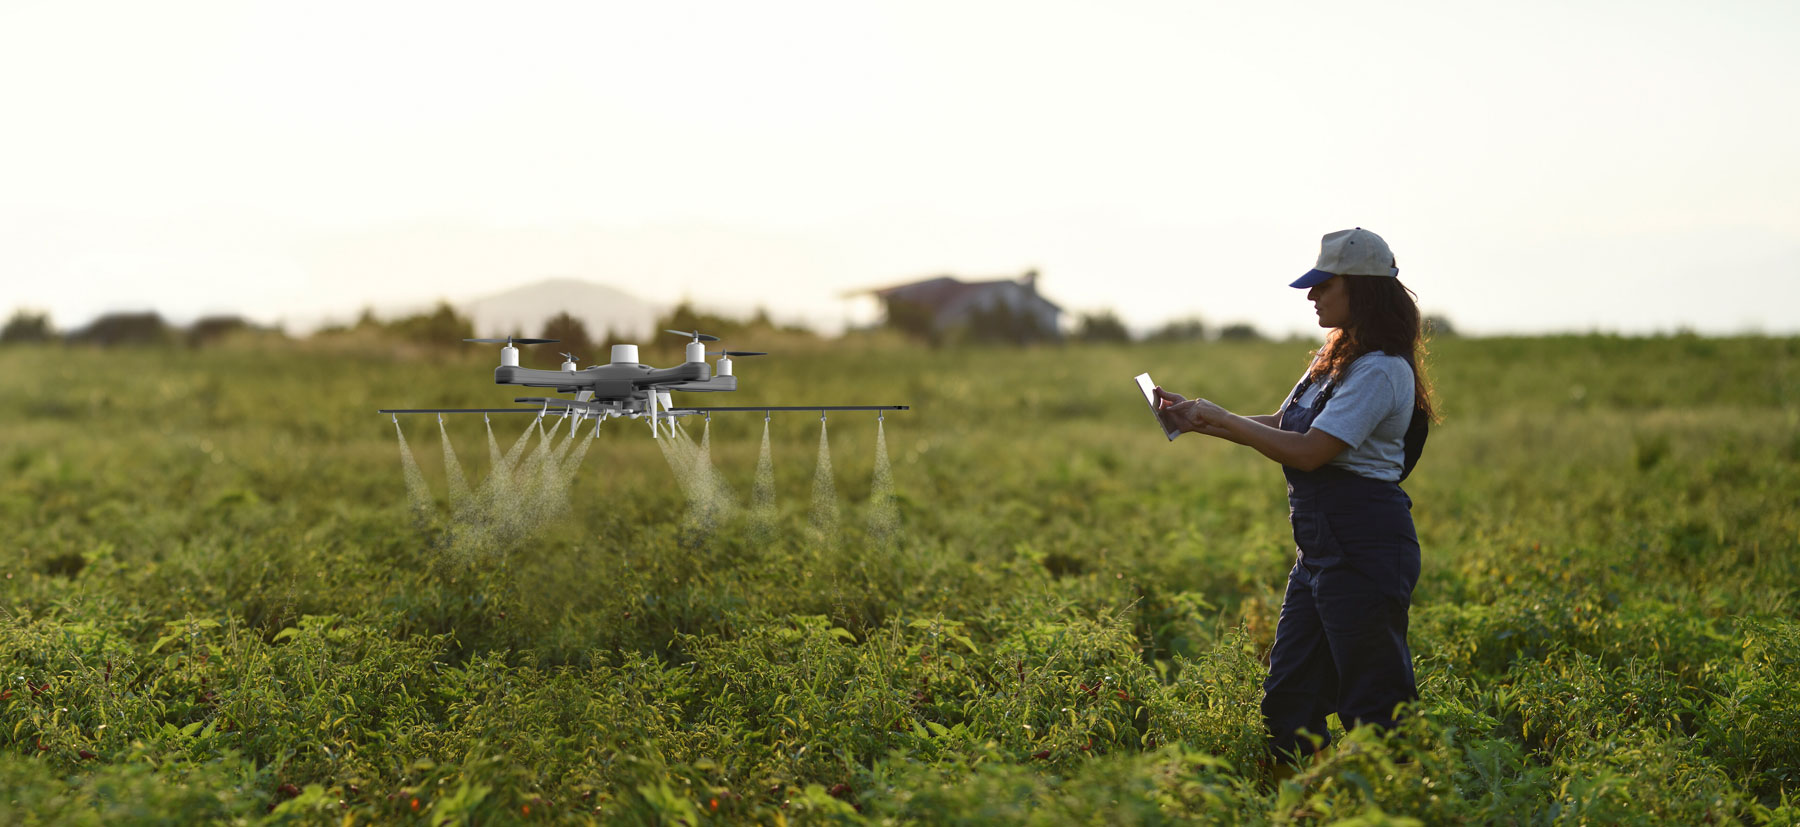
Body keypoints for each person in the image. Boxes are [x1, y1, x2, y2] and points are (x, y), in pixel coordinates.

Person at [1155, 227, 1435, 765]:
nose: (1312, 296)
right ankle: (1300, 806)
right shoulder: (1335, 356)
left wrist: (1223, 417)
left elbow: (1309, 452)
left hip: (1364, 551)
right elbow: (1287, 425)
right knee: (1287, 705)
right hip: (1320, 553)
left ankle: (1408, 805)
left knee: (1376, 709)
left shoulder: (1381, 368)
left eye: (1323, 285)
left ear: (1361, 288)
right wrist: (1199, 418)